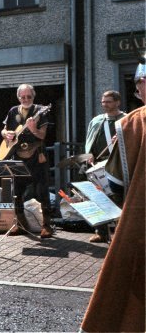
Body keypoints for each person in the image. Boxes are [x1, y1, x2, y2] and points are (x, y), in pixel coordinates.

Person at [81, 63, 145, 332]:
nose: (138, 87)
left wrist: (95, 199)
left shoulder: (133, 122)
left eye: (140, 81)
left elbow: (115, 184)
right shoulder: (101, 121)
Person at [1, 84, 53, 239]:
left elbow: (42, 136)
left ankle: (47, 226)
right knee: (16, 193)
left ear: (33, 96)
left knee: (42, 192)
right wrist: (7, 134)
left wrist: (33, 129)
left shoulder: (40, 111)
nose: (25, 99)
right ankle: (21, 225)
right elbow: (3, 129)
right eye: (22, 97)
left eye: (28, 96)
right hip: (18, 156)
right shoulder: (13, 111)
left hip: (37, 157)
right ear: (18, 97)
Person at [84, 90, 126, 243]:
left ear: (117, 102)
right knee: (98, 199)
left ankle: (120, 233)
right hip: (99, 164)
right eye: (103, 101)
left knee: (118, 198)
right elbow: (90, 140)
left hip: (117, 165)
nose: (105, 104)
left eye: (108, 101)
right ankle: (101, 232)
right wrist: (89, 156)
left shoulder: (126, 120)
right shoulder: (97, 121)